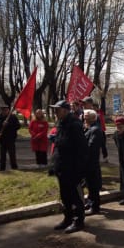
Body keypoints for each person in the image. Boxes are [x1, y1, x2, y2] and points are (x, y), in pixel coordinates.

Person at [49, 100, 88, 234]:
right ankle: (68, 218)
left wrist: (79, 171)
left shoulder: (74, 125)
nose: (55, 112)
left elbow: (82, 149)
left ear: (65, 111)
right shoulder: (61, 123)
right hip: (62, 166)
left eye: (57, 110)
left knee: (75, 197)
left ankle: (79, 221)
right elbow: (59, 146)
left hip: (72, 168)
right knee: (65, 195)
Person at [83, 109, 103, 215]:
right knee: (89, 184)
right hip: (86, 162)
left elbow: (91, 147)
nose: (84, 117)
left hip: (91, 162)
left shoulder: (95, 130)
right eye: (84, 115)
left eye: (86, 116)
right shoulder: (88, 128)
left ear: (92, 118)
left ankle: (95, 207)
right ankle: (90, 202)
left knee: (93, 185)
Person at [0, 104, 21, 171]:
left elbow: (18, 126)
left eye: (5, 110)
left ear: (8, 110)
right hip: (1, 138)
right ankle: (2, 167)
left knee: (12, 153)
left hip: (10, 138)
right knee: (2, 154)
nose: (4, 111)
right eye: (2, 110)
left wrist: (8, 124)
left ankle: (14, 167)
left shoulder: (12, 117)